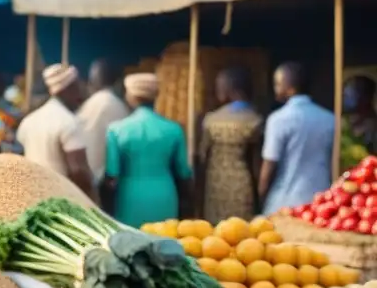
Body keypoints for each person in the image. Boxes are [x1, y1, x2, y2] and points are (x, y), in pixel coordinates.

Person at [102, 74, 193, 227]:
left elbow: (112, 173)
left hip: (129, 196)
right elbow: (184, 172)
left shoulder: (116, 130)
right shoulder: (174, 129)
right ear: (156, 96)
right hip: (165, 194)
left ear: (130, 96)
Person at [260, 62, 336, 216]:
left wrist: (261, 195)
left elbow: (269, 165)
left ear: (289, 87)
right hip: (321, 201)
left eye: (277, 83)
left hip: (286, 201)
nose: (275, 89)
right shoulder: (331, 119)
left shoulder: (278, 119)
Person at [16, 64, 97, 200]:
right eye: (77, 87)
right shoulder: (68, 122)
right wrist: (92, 200)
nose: (80, 93)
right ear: (67, 89)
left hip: (34, 198)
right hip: (62, 201)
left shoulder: (28, 121)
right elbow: (78, 171)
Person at [199, 67, 263, 223]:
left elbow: (202, 156)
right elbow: (257, 164)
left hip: (215, 186)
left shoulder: (211, 119)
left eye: (219, 87)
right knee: (240, 232)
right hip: (241, 186)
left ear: (229, 89)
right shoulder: (255, 120)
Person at [77, 60, 129, 183]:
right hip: (107, 177)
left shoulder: (86, 106)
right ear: (118, 82)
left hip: (88, 174)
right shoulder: (118, 106)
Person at [344, 75, 377, 159]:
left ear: (366, 97)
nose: (344, 95)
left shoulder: (372, 127)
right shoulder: (343, 123)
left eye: (350, 93)